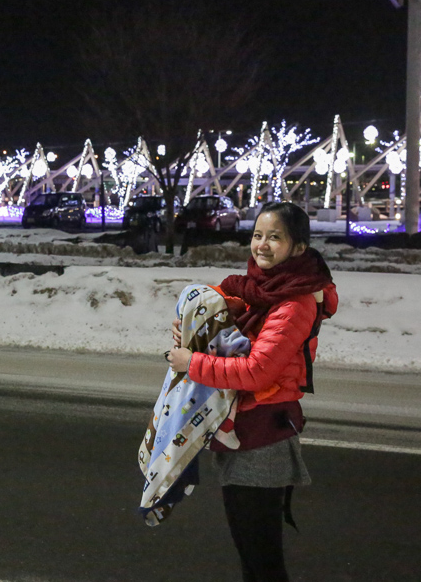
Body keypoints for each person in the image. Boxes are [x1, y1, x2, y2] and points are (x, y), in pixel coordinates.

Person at [167, 201, 338, 582]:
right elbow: (215, 326)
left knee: (262, 561)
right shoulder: (252, 289)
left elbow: (257, 372)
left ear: (298, 247)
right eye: (258, 235)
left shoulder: (295, 302)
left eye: (275, 237)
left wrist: (190, 363)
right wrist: (188, 333)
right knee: (251, 554)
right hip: (242, 429)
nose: (262, 245)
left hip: (263, 438)